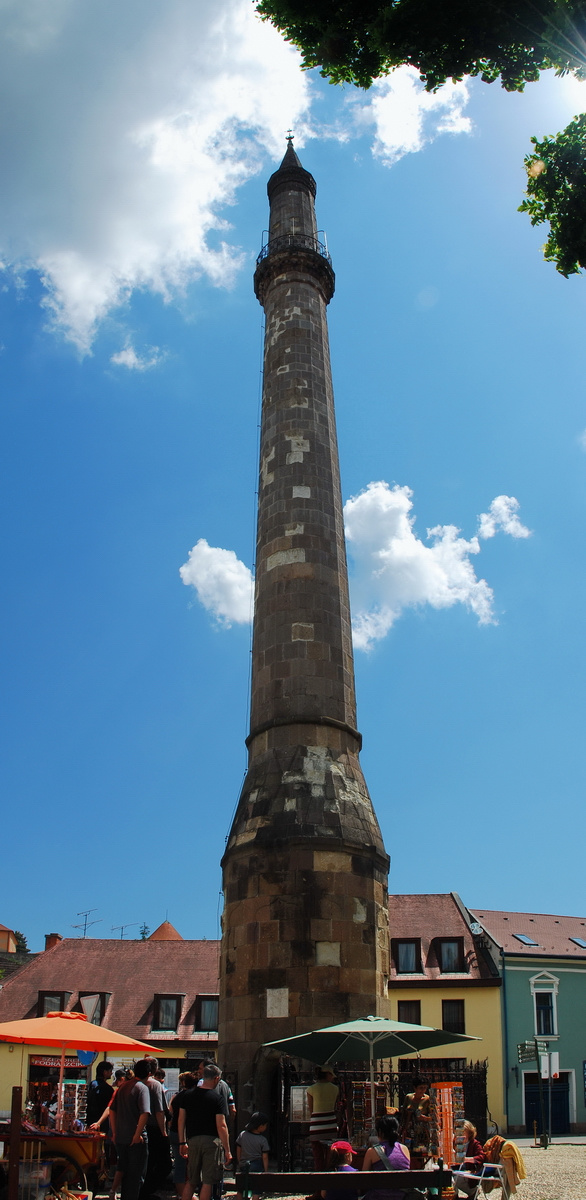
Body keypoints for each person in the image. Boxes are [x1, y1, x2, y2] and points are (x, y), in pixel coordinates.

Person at [178, 1062, 232, 1200]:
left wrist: (182, 1142)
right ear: (216, 1078)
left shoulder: (187, 1095)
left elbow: (181, 1120)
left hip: (193, 1140)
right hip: (211, 1142)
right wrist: (227, 1150)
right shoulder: (217, 1099)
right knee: (208, 1182)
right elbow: (222, 1126)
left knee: (191, 1181)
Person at [109, 1059, 151, 1200]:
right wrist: (137, 1134)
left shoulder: (123, 1087)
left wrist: (115, 1132)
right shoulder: (142, 1088)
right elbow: (145, 1113)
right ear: (149, 1074)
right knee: (136, 1176)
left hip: (121, 1137)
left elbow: (112, 1110)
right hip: (135, 1139)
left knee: (125, 1173)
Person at [138, 1058, 172, 1200]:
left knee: (146, 1162)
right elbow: (160, 1110)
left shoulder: (132, 1084)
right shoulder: (155, 1085)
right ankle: (149, 1190)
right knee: (163, 1164)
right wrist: (163, 1132)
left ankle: (143, 1190)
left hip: (138, 1128)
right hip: (154, 1128)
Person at [362, 1115, 410, 1200]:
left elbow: (363, 1182)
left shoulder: (372, 1151)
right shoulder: (404, 1149)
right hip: (401, 1197)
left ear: (380, 1132)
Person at [168, 1073, 197, 1199]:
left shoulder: (176, 1096)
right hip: (186, 1134)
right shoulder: (192, 1097)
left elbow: (170, 1113)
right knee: (188, 1165)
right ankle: (187, 1193)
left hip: (174, 1132)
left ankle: (181, 1192)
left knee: (179, 1164)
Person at [306, 1067, 339, 1170]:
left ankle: (319, 1179)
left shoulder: (311, 1089)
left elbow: (311, 1110)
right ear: (327, 1074)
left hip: (316, 1125)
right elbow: (335, 1107)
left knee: (318, 1156)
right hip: (331, 1124)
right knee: (330, 1154)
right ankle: (329, 1177)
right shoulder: (335, 1088)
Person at [235, 1112, 269, 1200]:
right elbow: (264, 1157)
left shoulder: (242, 1135)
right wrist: (265, 1170)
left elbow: (238, 1149)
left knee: (240, 1189)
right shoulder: (262, 1140)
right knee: (256, 1190)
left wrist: (240, 1161)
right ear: (261, 1126)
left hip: (244, 1165)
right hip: (256, 1165)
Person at [399, 1078, 431, 1165]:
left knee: (420, 1151)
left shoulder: (427, 1099)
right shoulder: (409, 1097)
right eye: (421, 1088)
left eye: (425, 1088)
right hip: (409, 1128)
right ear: (415, 1088)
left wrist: (423, 1118)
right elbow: (403, 1113)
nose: (423, 1090)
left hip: (421, 1130)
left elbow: (433, 1117)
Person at [87, 1062, 114, 1128]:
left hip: (89, 1119)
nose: (111, 1073)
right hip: (102, 1122)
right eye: (110, 1071)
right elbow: (110, 1107)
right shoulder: (108, 1089)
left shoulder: (92, 1084)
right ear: (105, 1072)